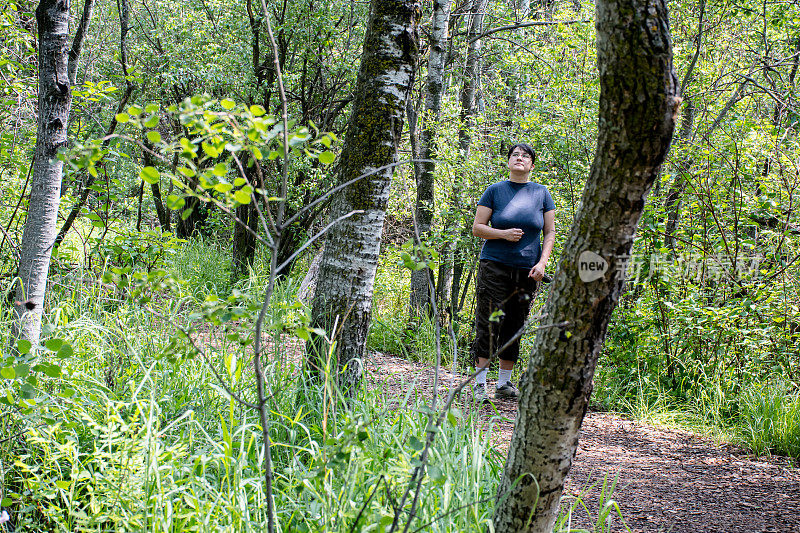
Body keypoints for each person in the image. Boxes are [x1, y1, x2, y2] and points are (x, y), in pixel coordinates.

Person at [470, 143, 555, 402]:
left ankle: (504, 385)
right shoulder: (495, 191)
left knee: (515, 324)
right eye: (515, 155)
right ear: (508, 162)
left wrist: (542, 264)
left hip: (527, 271)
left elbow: (549, 233)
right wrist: (503, 234)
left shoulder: (542, 193)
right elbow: (477, 228)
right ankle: (479, 386)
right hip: (494, 266)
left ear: (532, 164)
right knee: (489, 323)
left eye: (525, 156)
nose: (520, 158)